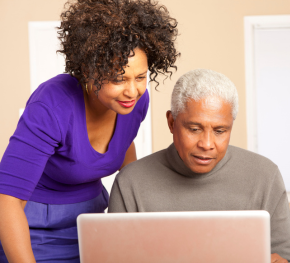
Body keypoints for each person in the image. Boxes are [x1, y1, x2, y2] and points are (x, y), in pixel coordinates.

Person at [0, 0, 179, 262]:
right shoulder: (52, 106)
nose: (132, 91)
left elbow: (124, 146)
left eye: (140, 77)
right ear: (89, 70)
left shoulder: (134, 103)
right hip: (34, 230)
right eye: (119, 78)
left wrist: (137, 207)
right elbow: (7, 200)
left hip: (93, 223)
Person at [108, 69, 290, 263]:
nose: (207, 144)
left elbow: (287, 257)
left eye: (220, 131)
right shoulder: (130, 182)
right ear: (171, 122)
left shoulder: (266, 176)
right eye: (194, 129)